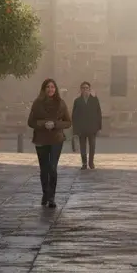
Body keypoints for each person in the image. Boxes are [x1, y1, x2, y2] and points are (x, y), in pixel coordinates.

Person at [27, 78, 72, 208]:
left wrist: (55, 124)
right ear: (44, 89)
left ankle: (52, 197)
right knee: (44, 168)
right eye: (48, 87)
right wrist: (43, 124)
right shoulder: (37, 103)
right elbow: (31, 122)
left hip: (56, 139)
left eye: (52, 87)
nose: (50, 89)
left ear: (55, 89)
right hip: (41, 139)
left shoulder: (61, 103)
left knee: (52, 167)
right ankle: (45, 193)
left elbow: (68, 122)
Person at [72, 81, 102, 171]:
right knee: (83, 147)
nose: (85, 90)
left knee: (92, 146)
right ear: (81, 90)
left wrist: (99, 127)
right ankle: (84, 163)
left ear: (89, 89)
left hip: (92, 128)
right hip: (81, 129)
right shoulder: (77, 101)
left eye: (87, 88)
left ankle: (91, 162)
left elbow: (98, 114)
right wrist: (75, 129)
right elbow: (74, 116)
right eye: (83, 88)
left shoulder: (94, 100)